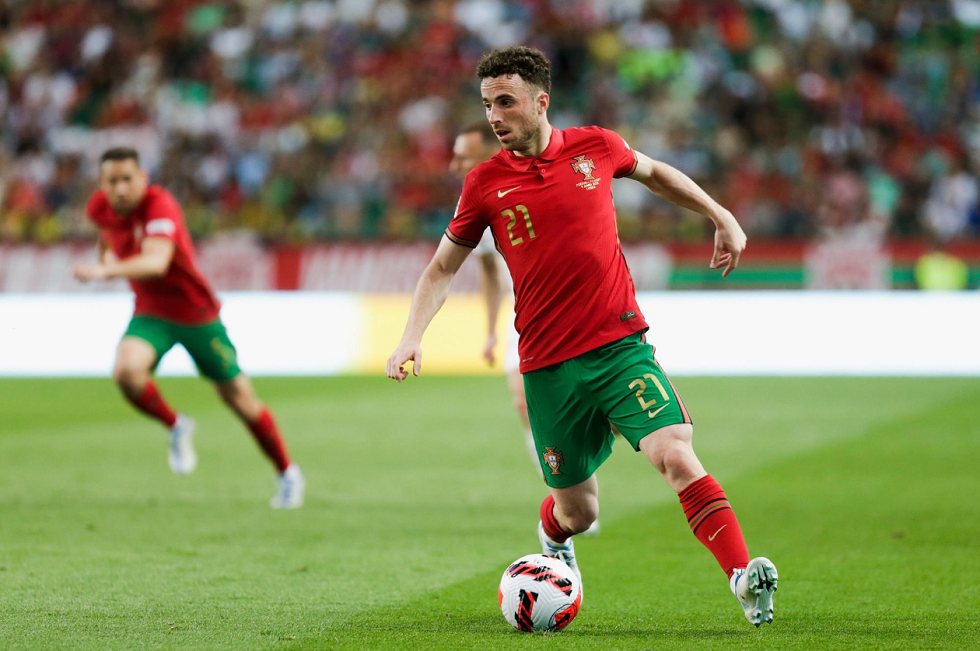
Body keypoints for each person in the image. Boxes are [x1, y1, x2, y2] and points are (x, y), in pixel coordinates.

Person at [386, 47, 777, 626]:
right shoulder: (484, 183)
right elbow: (443, 267)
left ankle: (742, 577)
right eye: (488, 104)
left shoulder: (596, 146)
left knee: (675, 453)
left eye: (505, 102)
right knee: (578, 512)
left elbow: (656, 173)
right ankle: (552, 540)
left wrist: (721, 215)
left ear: (541, 102)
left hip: (620, 349)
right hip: (547, 368)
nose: (494, 116)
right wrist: (411, 336)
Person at [73, 147, 304, 509]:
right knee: (126, 371)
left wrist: (105, 270)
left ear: (143, 178)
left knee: (240, 399)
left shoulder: (160, 205)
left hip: (195, 313)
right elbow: (107, 235)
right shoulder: (99, 208)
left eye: (127, 179)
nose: (119, 189)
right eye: (111, 181)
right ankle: (176, 425)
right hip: (151, 311)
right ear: (101, 183)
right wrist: (105, 257)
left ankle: (287, 472)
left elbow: (157, 261)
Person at [451, 119, 601, 536]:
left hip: (577, 315)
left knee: (602, 409)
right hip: (525, 322)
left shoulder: (532, 181)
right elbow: (488, 271)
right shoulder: (477, 196)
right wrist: (490, 330)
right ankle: (566, 500)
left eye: (462, 156)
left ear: (487, 150)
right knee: (524, 403)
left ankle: (577, 485)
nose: (454, 165)